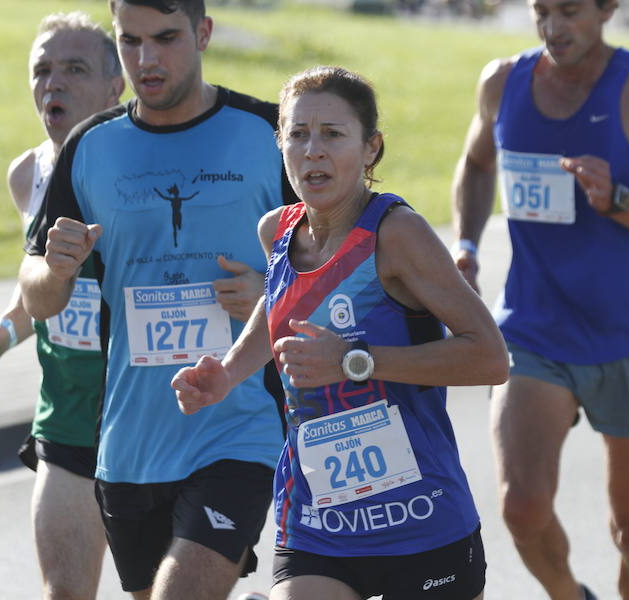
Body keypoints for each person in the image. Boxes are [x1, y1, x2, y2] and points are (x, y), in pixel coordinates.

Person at [172, 66, 509, 600]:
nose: (313, 151)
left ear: (370, 148)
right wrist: (228, 372)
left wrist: (356, 359)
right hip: (320, 522)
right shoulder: (277, 231)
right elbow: (281, 308)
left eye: (333, 134)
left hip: (421, 520)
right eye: (298, 134)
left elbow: (491, 357)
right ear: (279, 144)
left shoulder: (396, 234)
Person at [18, 0, 296, 597]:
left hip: (239, 427)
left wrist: (276, 295)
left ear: (203, 33)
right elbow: (38, 295)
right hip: (131, 440)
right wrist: (57, 271)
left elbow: (343, 262)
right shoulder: (91, 146)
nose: (146, 59)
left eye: (166, 38)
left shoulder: (269, 133)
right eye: (130, 41)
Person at [449, 0, 629, 597]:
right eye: (542, 10)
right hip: (533, 329)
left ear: (608, 9)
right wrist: (464, 242)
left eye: (570, 11)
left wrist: (620, 200)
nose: (553, 27)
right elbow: (475, 160)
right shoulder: (502, 81)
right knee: (521, 506)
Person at [0, 12, 124, 599]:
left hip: (155, 420)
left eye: (75, 69)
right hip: (67, 418)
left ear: (114, 85)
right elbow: (39, 288)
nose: (55, 84)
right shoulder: (28, 174)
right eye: (42, 70)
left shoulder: (149, 170)